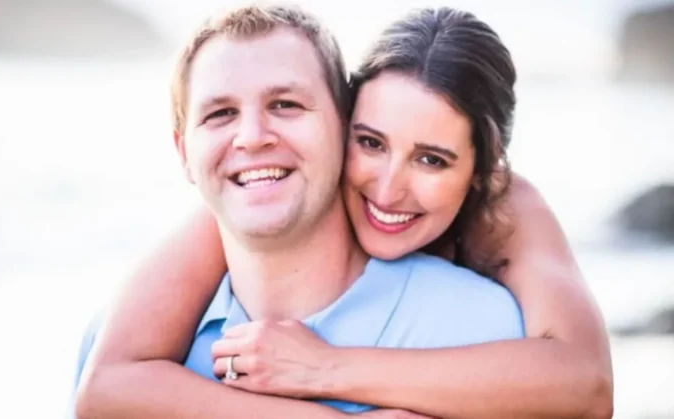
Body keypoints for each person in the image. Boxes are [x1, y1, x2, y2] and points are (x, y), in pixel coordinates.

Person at [74, 4, 613, 419]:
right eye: (372, 143)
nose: (387, 188)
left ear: (480, 171)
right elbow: (106, 383)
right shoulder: (172, 300)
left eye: (432, 160)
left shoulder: (504, 241)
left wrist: (325, 368)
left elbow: (585, 382)